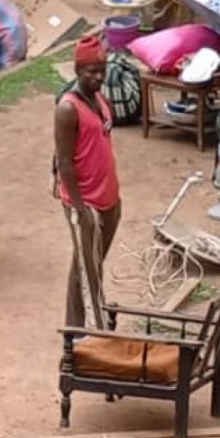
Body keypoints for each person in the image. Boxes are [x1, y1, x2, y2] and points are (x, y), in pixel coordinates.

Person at [53, 35, 121, 329]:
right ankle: (97, 332)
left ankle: (75, 327)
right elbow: (64, 162)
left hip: (109, 197)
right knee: (89, 270)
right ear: (77, 71)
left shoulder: (101, 101)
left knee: (87, 265)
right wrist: (80, 209)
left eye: (101, 71)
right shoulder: (68, 109)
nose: (98, 77)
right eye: (91, 71)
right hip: (86, 203)